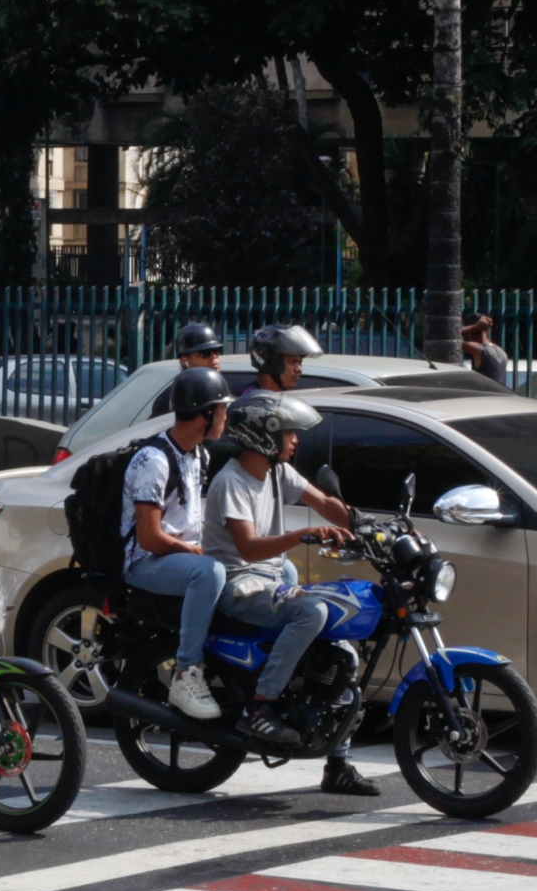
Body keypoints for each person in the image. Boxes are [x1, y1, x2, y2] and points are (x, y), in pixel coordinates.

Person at [201, 392, 377, 796]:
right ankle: (261, 705)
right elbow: (247, 548)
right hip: (239, 583)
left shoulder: (279, 473)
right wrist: (301, 535)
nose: (296, 439)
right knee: (311, 613)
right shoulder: (231, 482)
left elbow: (325, 502)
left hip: (271, 578)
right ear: (263, 436)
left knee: (343, 649)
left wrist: (368, 525)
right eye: (288, 432)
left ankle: (338, 765)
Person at [121, 368, 233, 721]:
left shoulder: (199, 455)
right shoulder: (153, 460)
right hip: (145, 562)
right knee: (209, 573)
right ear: (206, 414)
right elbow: (150, 538)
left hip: (180, 558)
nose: (226, 418)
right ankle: (186, 673)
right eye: (223, 410)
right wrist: (193, 552)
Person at [244, 324, 324, 396]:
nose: (299, 369)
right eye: (293, 362)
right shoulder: (249, 403)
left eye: (300, 362)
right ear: (273, 364)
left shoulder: (285, 400)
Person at [462, 315, 510, 385]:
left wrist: (475, 327)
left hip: (485, 395)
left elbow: (451, 339)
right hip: (501, 395)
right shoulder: (502, 352)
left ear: (470, 333)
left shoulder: (479, 350)